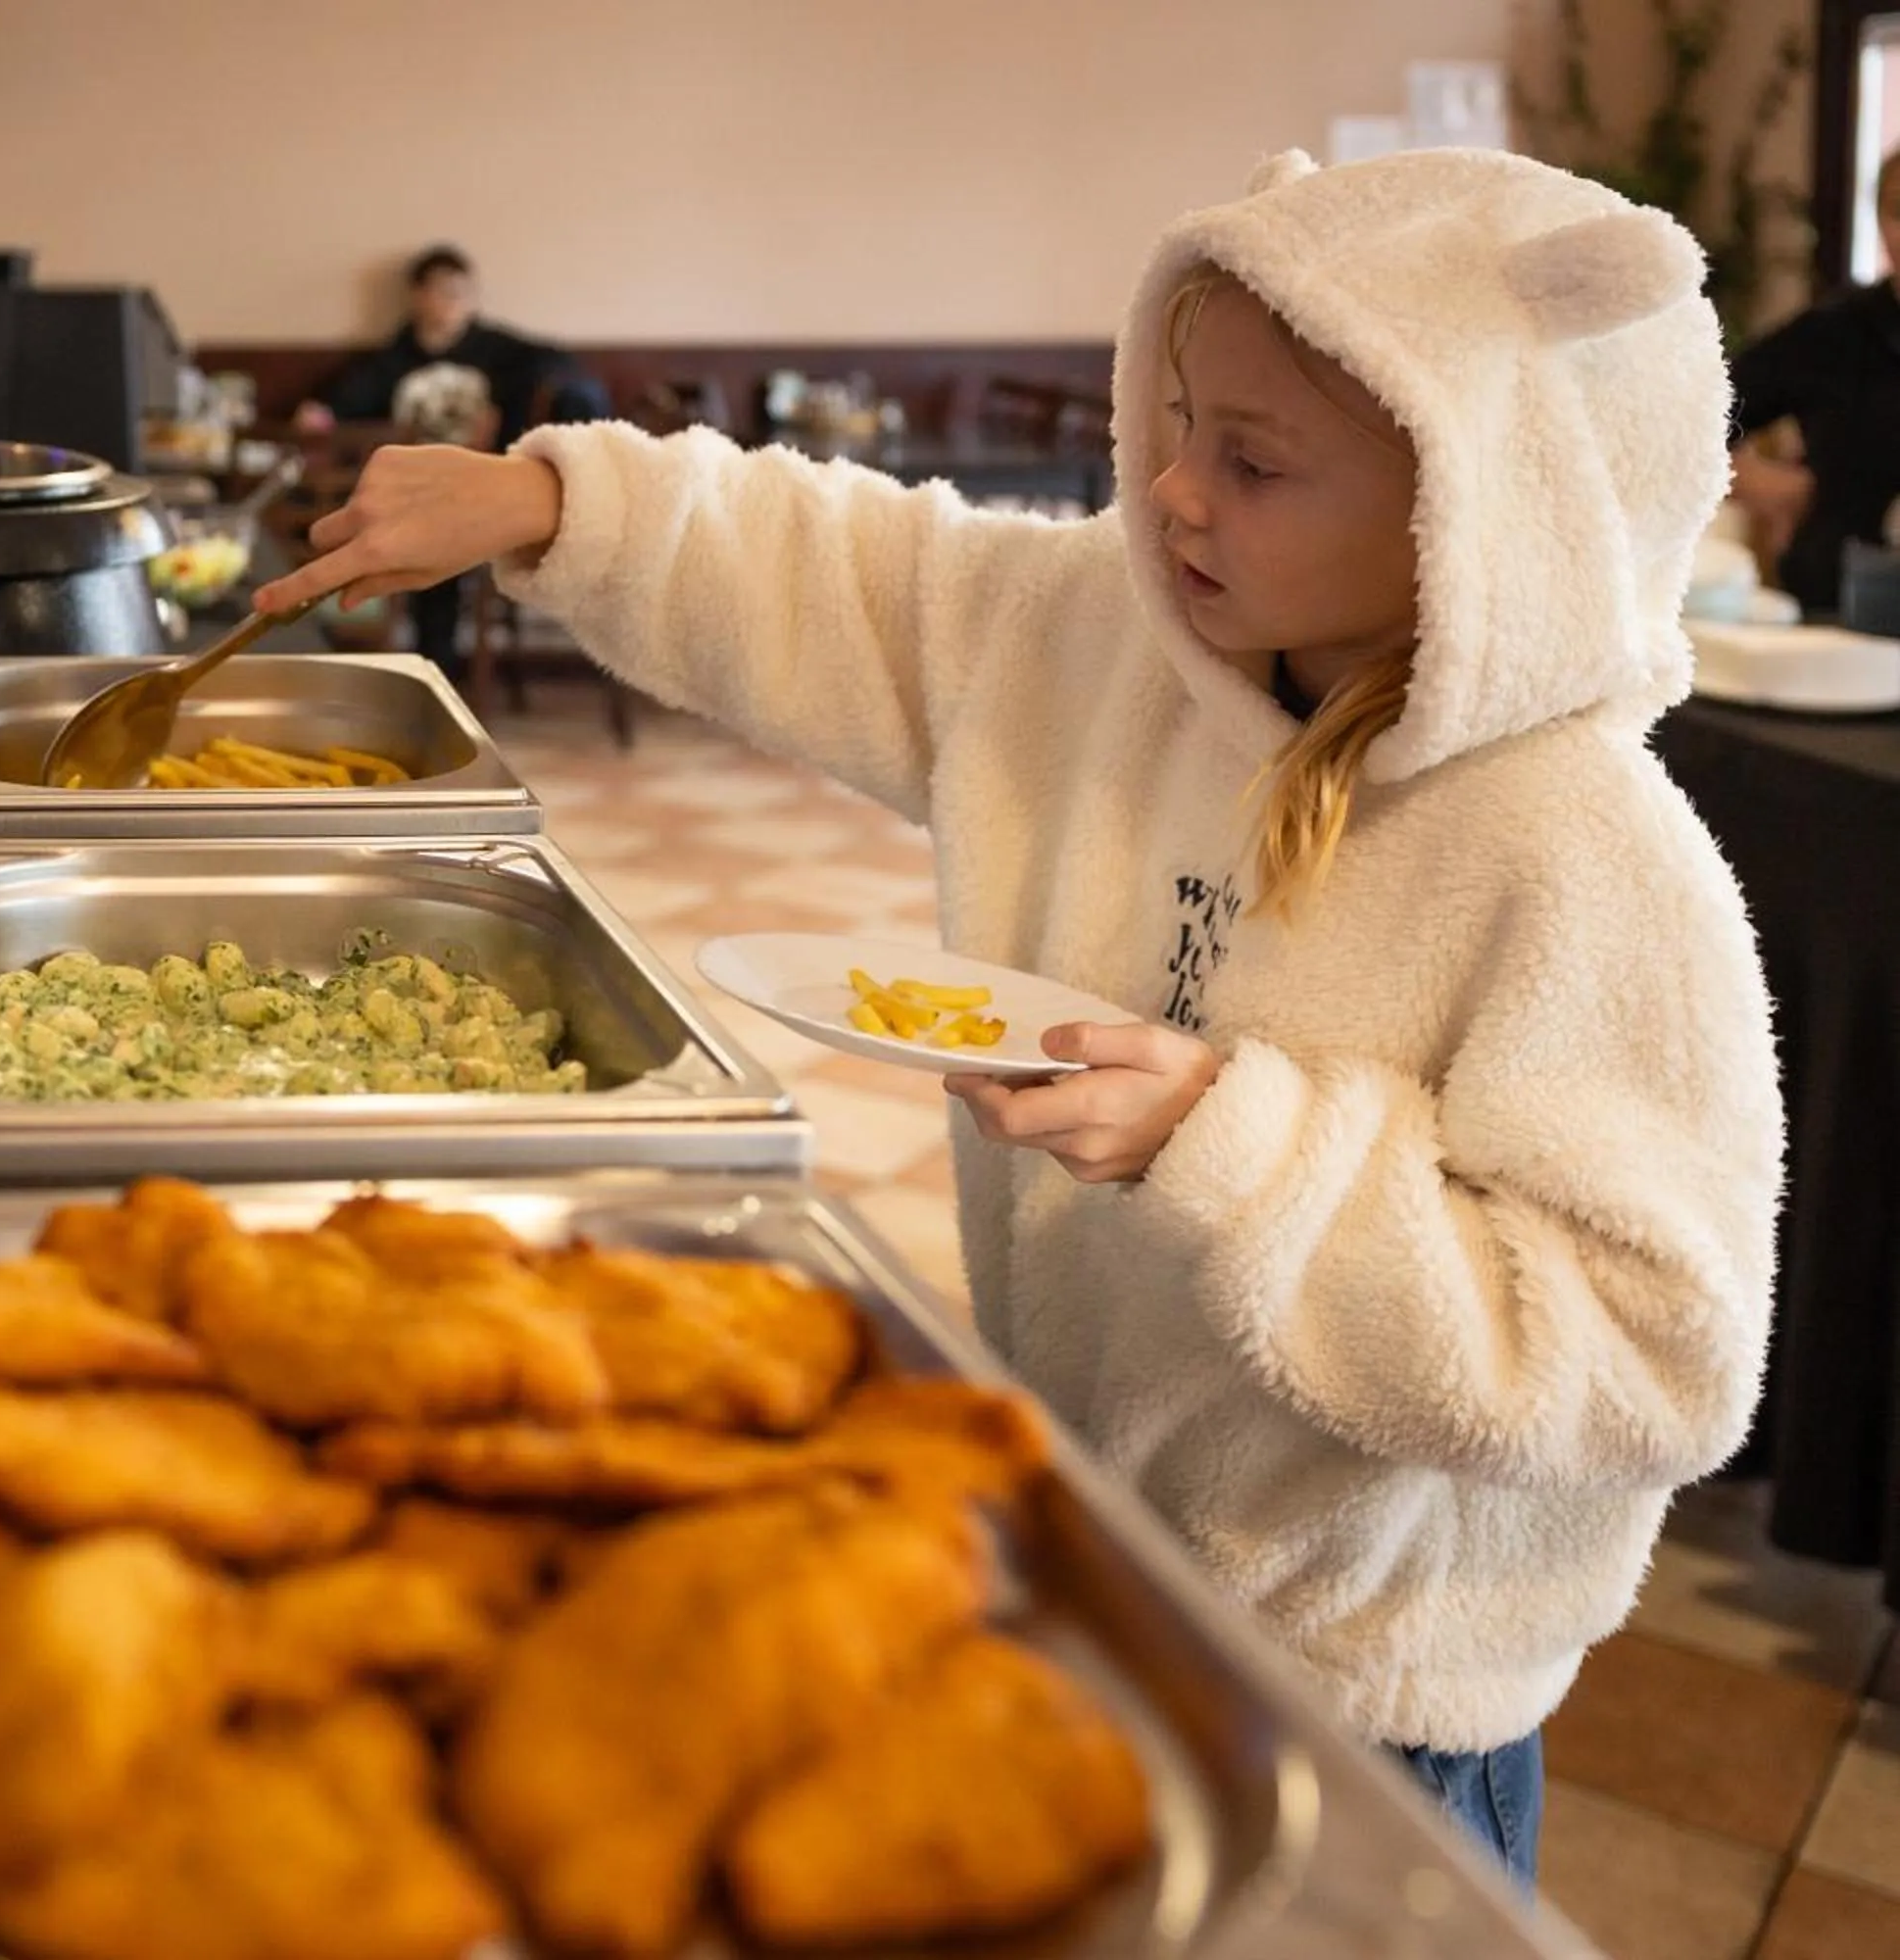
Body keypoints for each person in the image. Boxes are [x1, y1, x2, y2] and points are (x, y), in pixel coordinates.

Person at [258, 149, 1782, 1889]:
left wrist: (1237, 1147)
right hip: (1097, 1572)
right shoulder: (1117, 647)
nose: (1172, 497)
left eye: (1255, 462)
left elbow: (1654, 1358)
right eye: (1180, 423)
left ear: (1472, 506)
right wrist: (559, 509)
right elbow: (874, 574)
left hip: (1369, 1706)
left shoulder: (1581, 858)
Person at [294, 246, 607, 674]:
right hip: (412, 491)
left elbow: (561, 372)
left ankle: (443, 674)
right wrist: (320, 414)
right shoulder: (392, 360)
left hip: (483, 490)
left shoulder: (499, 351)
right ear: (418, 295)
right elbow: (342, 402)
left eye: (463, 292)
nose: (453, 302)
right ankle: (426, 668)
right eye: (442, 291)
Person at [1726, 143, 1900, 616]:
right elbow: (1692, 417)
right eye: (1898, 210)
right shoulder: (1831, 333)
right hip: (1837, 613)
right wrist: (1763, 483)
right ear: (1881, 222)